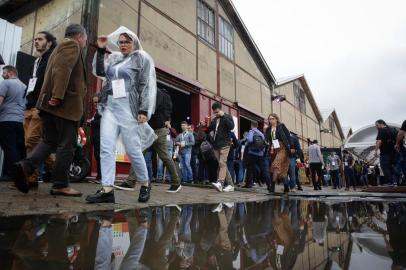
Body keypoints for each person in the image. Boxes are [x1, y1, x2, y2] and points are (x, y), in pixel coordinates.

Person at [12, 24, 88, 196]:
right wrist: (58, 95)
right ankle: (60, 184)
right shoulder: (71, 45)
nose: (85, 42)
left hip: (51, 106)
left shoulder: (58, 48)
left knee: (49, 141)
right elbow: (62, 70)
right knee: (66, 145)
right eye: (85, 39)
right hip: (64, 106)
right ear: (80, 37)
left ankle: (26, 166)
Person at [86, 27, 157, 203]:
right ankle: (107, 188)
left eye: (127, 41)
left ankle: (145, 183)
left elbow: (145, 84)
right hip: (110, 107)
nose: (124, 44)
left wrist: (143, 110)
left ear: (134, 42)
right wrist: (101, 49)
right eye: (121, 42)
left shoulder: (141, 58)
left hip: (129, 109)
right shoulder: (115, 58)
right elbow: (101, 72)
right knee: (106, 147)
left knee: (133, 149)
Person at [118, 88, 182, 193]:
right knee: (139, 154)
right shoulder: (148, 93)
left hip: (158, 131)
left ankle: (176, 182)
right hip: (150, 130)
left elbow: (151, 109)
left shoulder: (157, 93)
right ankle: (130, 182)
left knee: (164, 157)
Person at [23, 31, 57, 186]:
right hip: (29, 105)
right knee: (29, 142)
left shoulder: (51, 58)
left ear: (49, 42)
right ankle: (57, 168)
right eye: (35, 39)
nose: (36, 42)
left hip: (40, 105)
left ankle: (30, 177)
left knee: (32, 140)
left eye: (40, 39)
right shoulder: (36, 61)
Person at [0, 66, 26, 181]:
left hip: (6, 119)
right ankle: (15, 174)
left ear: (10, 73)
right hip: (19, 120)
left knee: (8, 147)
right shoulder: (24, 86)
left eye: (4, 72)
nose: (2, 75)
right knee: (16, 147)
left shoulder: (5, 83)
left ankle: (11, 174)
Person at [208, 102, 235, 192]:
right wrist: (205, 125)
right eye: (214, 112)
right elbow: (210, 129)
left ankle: (220, 183)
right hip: (216, 145)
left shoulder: (227, 116)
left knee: (222, 163)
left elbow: (231, 126)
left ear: (220, 109)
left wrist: (224, 116)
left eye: (217, 112)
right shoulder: (215, 119)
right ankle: (231, 185)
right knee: (222, 164)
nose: (216, 113)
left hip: (225, 144)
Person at [265, 113, 291, 193]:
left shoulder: (281, 126)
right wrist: (267, 142)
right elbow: (268, 139)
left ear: (276, 119)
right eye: (270, 119)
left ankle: (272, 186)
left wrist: (292, 147)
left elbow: (288, 136)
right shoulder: (268, 129)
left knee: (275, 165)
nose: (271, 120)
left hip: (283, 148)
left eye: (273, 119)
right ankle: (286, 187)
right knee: (282, 170)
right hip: (274, 149)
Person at [244, 121, 271, 191]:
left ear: (251, 125)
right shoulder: (261, 133)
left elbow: (249, 140)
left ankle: (248, 184)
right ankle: (269, 184)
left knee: (249, 168)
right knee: (263, 169)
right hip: (260, 154)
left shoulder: (251, 131)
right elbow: (265, 144)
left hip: (252, 153)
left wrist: (246, 143)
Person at [374, 119, 398, 186]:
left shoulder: (381, 130)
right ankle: (395, 181)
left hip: (385, 152)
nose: (376, 127)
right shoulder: (393, 129)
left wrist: (375, 151)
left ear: (382, 123)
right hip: (394, 152)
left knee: (384, 166)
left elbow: (379, 141)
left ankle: (391, 181)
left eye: (377, 125)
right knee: (393, 167)